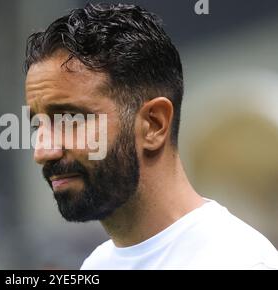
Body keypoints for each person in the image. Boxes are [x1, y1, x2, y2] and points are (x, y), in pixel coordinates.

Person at [23, 3, 278, 269]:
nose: (42, 152)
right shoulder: (96, 265)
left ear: (153, 124)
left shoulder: (238, 261)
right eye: (36, 126)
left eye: (69, 120)